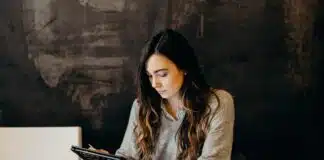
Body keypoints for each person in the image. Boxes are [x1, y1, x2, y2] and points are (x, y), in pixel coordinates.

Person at [99, 29, 235, 160]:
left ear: (184, 68)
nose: (154, 84)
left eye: (162, 74)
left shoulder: (218, 103)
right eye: (150, 76)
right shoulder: (142, 106)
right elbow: (128, 155)